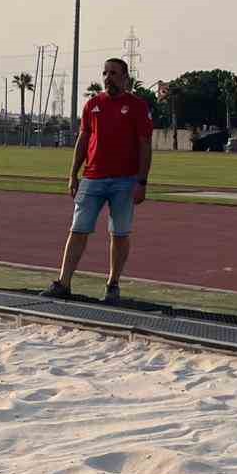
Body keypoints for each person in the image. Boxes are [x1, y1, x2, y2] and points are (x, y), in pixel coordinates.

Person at [42, 58, 153, 303]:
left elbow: (145, 145)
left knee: (120, 233)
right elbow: (83, 141)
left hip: (124, 180)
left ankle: (113, 285)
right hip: (92, 178)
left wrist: (142, 181)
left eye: (113, 73)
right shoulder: (92, 105)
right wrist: (73, 174)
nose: (108, 77)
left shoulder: (137, 106)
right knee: (78, 229)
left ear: (125, 78)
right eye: (105, 72)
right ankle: (64, 282)